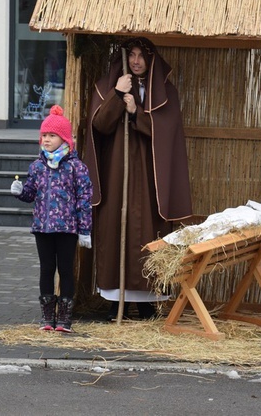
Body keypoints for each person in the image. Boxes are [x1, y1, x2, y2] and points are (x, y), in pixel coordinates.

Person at [84, 37, 192, 320]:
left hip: (149, 176)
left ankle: (147, 301)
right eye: (130, 55)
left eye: (141, 55)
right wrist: (117, 96)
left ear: (151, 58)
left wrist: (137, 113)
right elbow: (99, 125)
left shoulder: (166, 91)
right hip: (116, 172)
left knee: (147, 229)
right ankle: (113, 301)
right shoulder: (108, 84)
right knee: (114, 228)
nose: (135, 61)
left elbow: (167, 130)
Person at [11, 105, 93, 333]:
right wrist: (19, 191)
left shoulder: (77, 168)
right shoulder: (37, 166)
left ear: (64, 138)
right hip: (42, 228)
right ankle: (47, 317)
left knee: (65, 269)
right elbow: (30, 194)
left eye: (51, 136)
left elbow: (84, 199)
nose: (46, 140)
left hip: (67, 229)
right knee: (46, 269)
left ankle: (65, 318)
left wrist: (85, 229)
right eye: (43, 136)